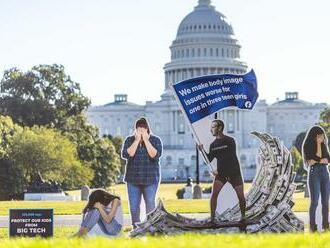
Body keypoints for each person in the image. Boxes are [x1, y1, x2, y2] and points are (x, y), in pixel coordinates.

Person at [199, 119, 245, 223]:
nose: (211, 130)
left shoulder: (230, 140)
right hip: (221, 174)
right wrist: (202, 151)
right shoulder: (213, 145)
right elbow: (209, 159)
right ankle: (212, 219)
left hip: (234, 173)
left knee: (240, 196)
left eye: (213, 127)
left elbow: (229, 157)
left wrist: (218, 170)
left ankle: (243, 217)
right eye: (211, 127)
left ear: (219, 128)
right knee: (214, 194)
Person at [121, 117, 163, 229]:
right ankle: (136, 228)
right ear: (135, 129)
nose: (141, 130)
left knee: (150, 204)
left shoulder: (156, 140)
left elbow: (155, 155)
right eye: (138, 128)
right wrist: (136, 141)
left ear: (147, 129)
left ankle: (151, 227)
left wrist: (146, 140)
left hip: (150, 179)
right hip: (132, 179)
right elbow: (127, 154)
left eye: (143, 128)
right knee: (134, 207)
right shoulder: (129, 140)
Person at [302, 125, 330, 232]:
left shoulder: (324, 145)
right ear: (314, 136)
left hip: (325, 172)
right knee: (314, 202)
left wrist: (320, 160)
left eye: (323, 137)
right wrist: (318, 144)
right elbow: (317, 158)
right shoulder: (308, 146)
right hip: (314, 173)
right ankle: (312, 227)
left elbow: (328, 159)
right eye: (319, 137)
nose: (322, 139)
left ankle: (326, 226)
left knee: (325, 202)